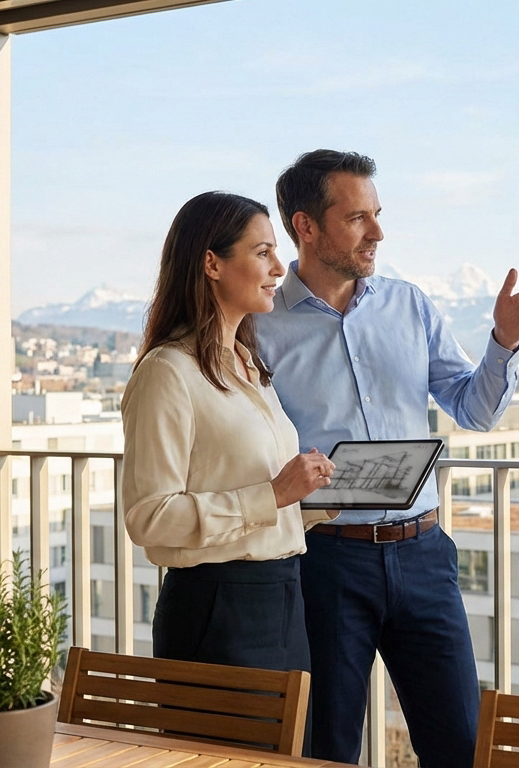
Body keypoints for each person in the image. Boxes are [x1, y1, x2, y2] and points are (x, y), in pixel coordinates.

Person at [257, 149, 519, 766]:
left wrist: (504, 341)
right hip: (325, 561)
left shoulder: (411, 304)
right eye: (356, 218)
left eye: (377, 214)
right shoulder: (261, 325)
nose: (377, 232)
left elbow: (474, 410)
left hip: (423, 555)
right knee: (328, 748)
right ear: (305, 227)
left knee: (458, 745)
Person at [120, 191, 337, 687]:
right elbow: (149, 517)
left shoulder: (248, 365)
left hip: (284, 597)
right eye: (262, 253)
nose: (279, 268)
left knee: (285, 761)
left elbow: (251, 496)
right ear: (212, 264)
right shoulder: (167, 373)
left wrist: (316, 501)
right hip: (216, 609)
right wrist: (274, 494)